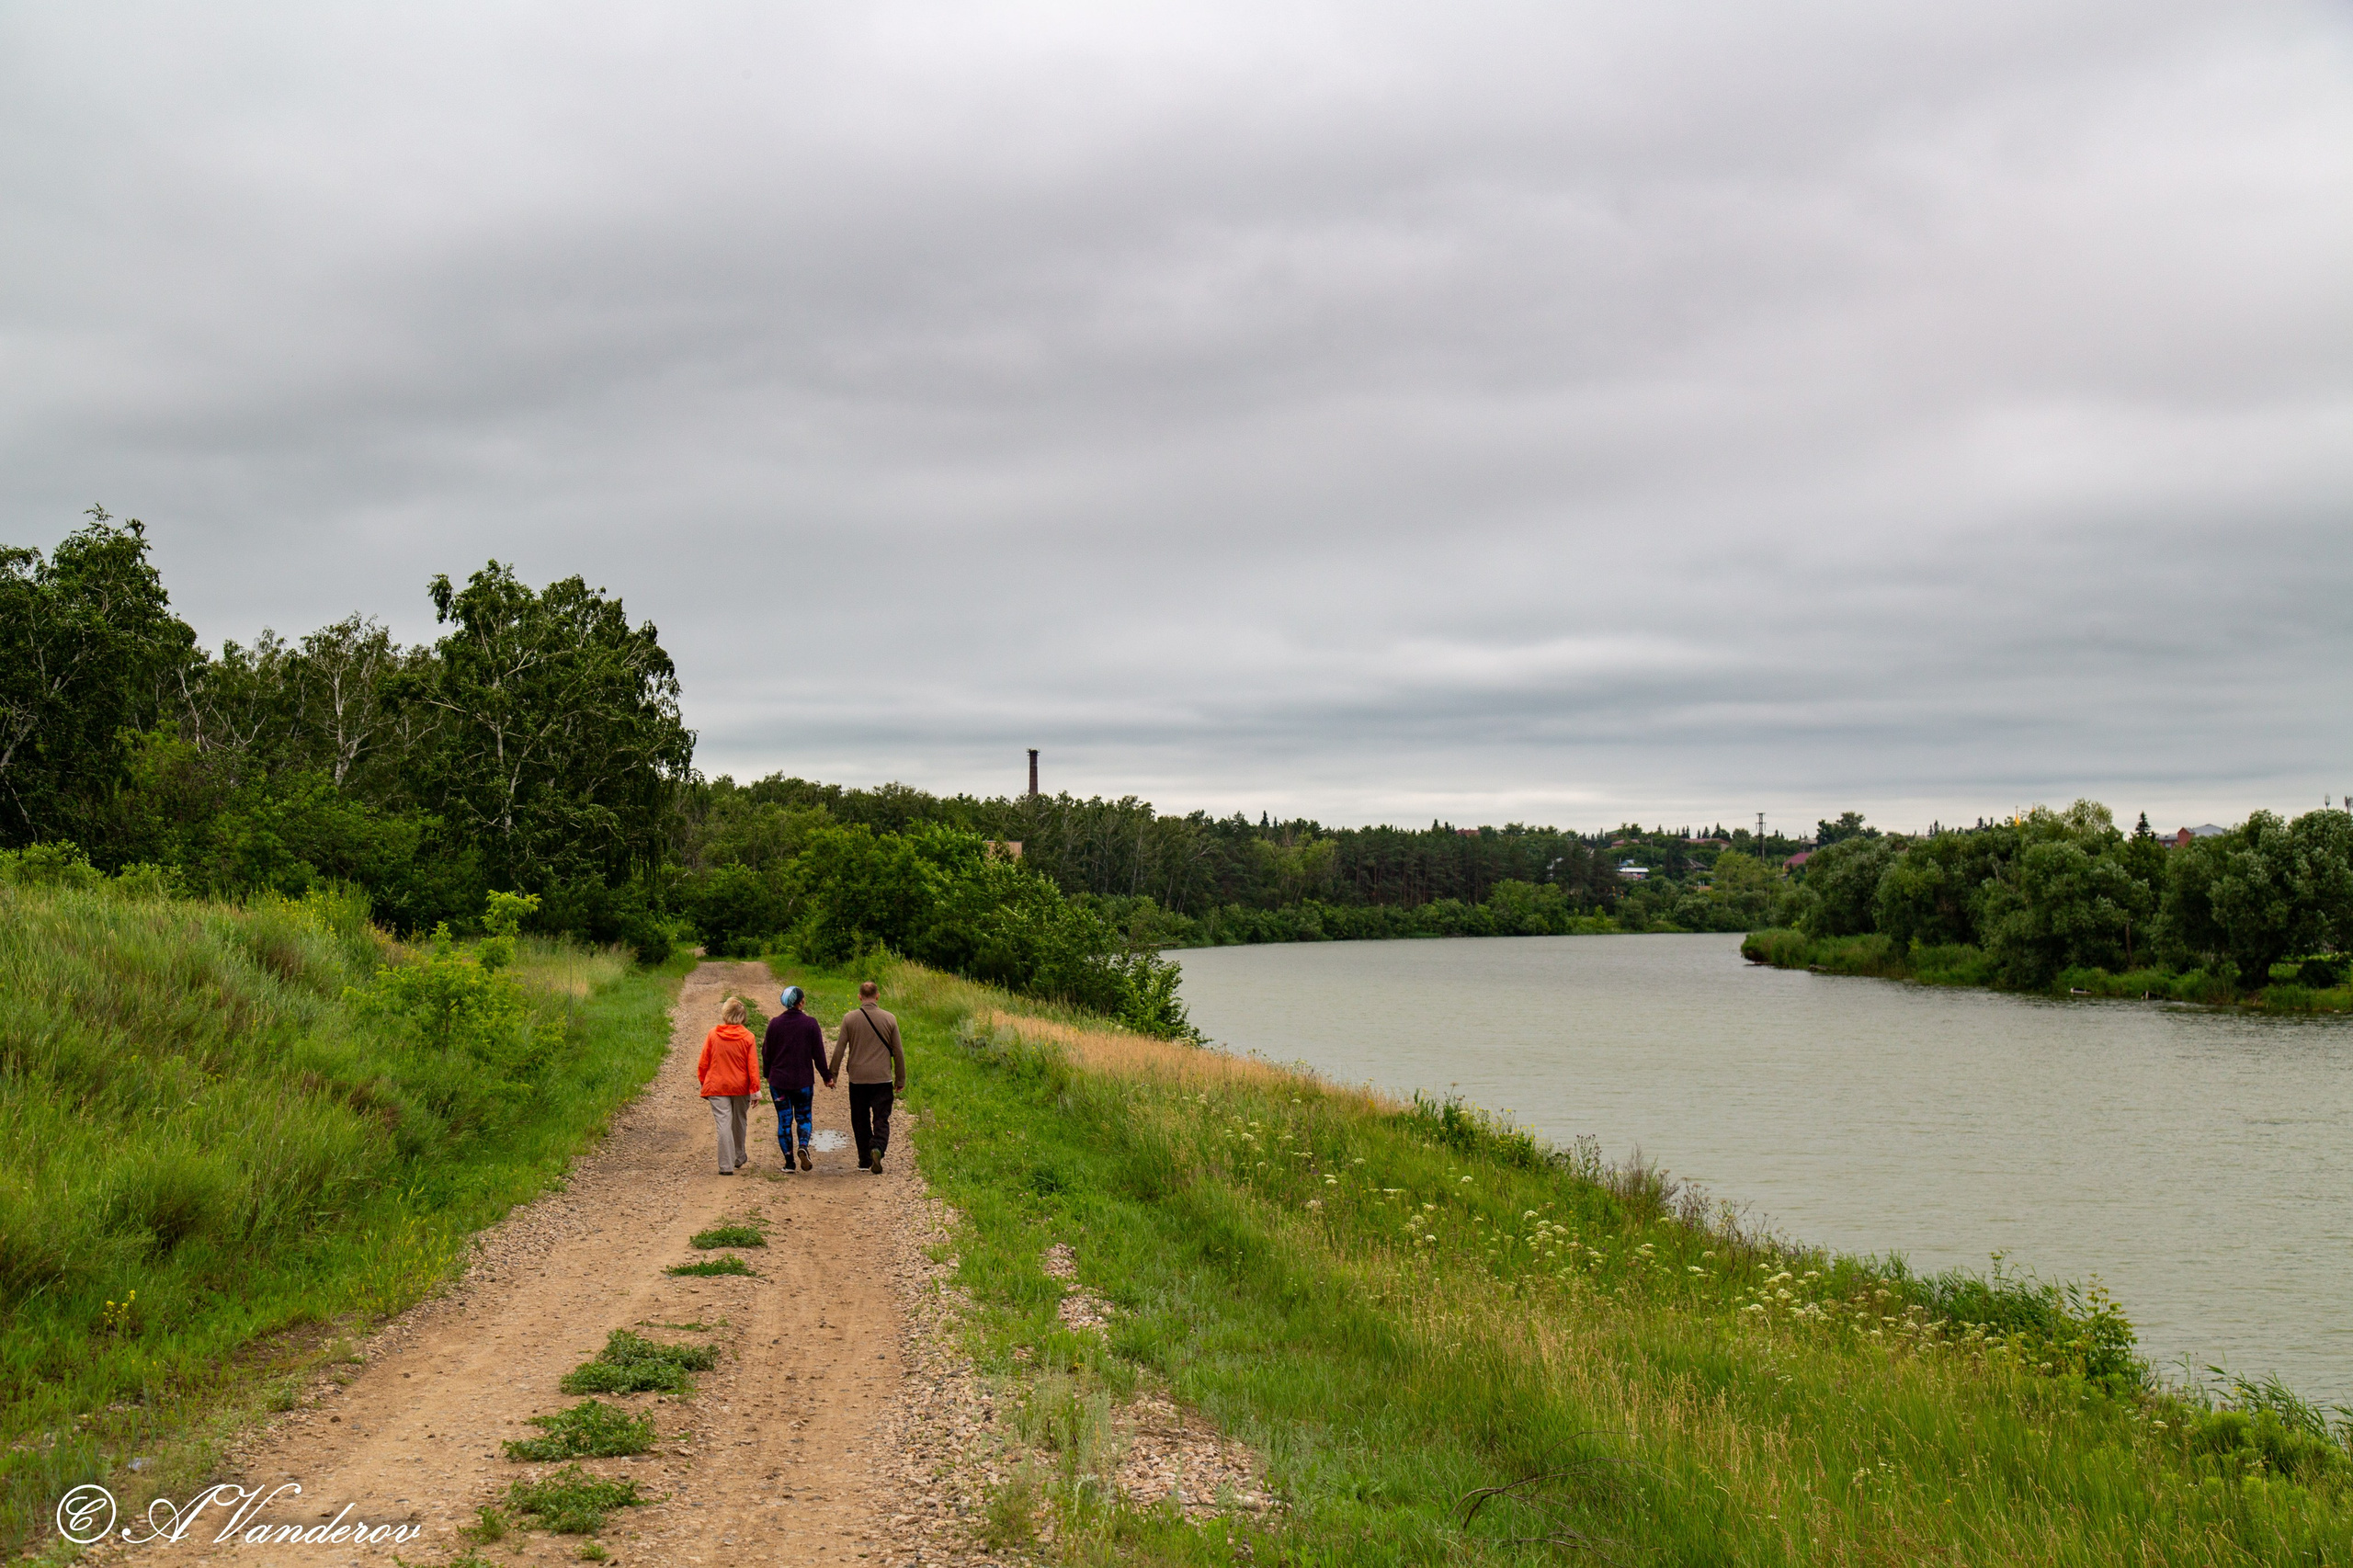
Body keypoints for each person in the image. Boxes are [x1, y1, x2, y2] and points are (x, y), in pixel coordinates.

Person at [826, 980, 905, 1175]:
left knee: (860, 1119)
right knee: (881, 1118)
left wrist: (833, 1074)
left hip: (858, 1079)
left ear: (860, 997)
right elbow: (898, 1052)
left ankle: (864, 1158)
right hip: (882, 1079)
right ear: (877, 996)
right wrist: (900, 1079)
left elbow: (840, 1048)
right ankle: (877, 1147)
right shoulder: (890, 1019)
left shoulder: (849, 1019)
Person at [760, 985, 833, 1171]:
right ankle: (803, 1146)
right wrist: (826, 1076)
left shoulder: (774, 1024)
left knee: (784, 1120)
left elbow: (766, 1053)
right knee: (804, 1117)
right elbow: (819, 1053)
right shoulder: (810, 1024)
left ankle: (789, 1162)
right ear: (801, 1002)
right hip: (803, 1081)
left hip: (779, 1082)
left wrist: (767, 1074)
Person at [698, 995, 762, 1176]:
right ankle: (739, 1157)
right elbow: (753, 1067)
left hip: (717, 1085)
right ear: (742, 1017)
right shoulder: (748, 1037)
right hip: (741, 1086)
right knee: (739, 1120)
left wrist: (704, 1082)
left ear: (725, 1014)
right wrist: (755, 1090)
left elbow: (704, 1062)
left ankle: (726, 1166)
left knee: (723, 1124)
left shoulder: (713, 1035)